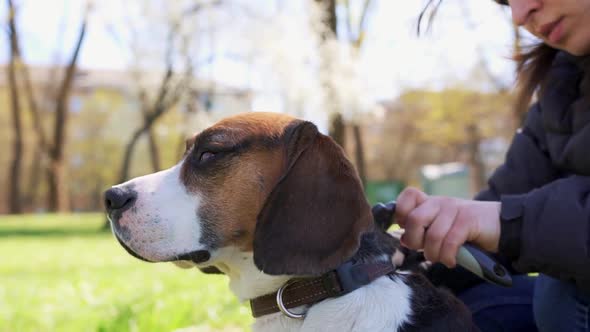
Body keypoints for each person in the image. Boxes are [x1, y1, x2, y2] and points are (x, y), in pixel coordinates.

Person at [396, 0, 590, 331]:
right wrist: (414, 259)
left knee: (561, 295)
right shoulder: (563, 85)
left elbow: (505, 217)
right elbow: (508, 194)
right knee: (475, 310)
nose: (518, 15)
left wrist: (506, 223)